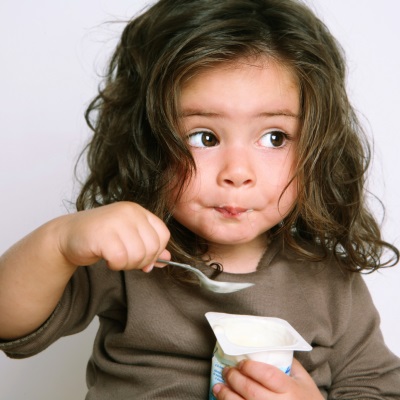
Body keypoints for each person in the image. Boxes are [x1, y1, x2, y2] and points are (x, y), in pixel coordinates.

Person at [1, 0, 399, 398]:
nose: (237, 172)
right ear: (148, 143)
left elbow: (379, 389)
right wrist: (59, 243)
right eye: (204, 137)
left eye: (274, 138)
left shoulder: (330, 282)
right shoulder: (128, 250)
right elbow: (7, 322)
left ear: (317, 147)